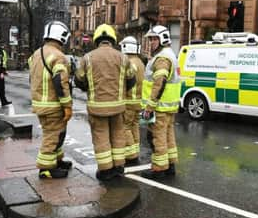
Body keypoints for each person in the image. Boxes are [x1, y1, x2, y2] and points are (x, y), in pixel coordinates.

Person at [75, 24, 136, 181]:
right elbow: (131, 80)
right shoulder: (123, 57)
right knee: (118, 136)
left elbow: (79, 81)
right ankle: (118, 167)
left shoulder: (87, 58)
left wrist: (89, 87)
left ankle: (106, 170)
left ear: (97, 40)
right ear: (112, 39)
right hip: (118, 106)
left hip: (97, 107)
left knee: (101, 138)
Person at [29, 21, 73, 179]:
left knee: (58, 133)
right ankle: (46, 168)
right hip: (53, 105)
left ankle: (57, 160)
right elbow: (61, 82)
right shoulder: (58, 56)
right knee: (52, 135)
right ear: (61, 37)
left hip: (40, 103)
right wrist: (67, 106)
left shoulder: (36, 54)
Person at [140, 25, 181, 179]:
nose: (151, 42)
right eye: (150, 39)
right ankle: (170, 165)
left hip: (159, 107)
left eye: (154, 39)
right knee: (169, 136)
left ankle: (159, 168)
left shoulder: (162, 58)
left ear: (162, 40)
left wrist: (150, 106)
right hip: (168, 107)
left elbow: (159, 83)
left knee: (158, 138)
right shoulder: (170, 55)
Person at [120, 36, 145, 166]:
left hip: (129, 102)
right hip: (138, 102)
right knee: (134, 126)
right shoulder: (140, 62)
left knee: (125, 127)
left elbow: (123, 83)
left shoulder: (128, 63)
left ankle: (130, 155)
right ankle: (135, 151)